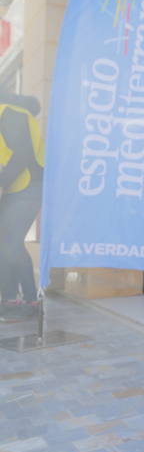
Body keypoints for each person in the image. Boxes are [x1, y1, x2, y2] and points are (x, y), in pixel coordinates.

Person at [0, 92, 43, 321]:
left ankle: (30, 301)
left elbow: (23, 152)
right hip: (18, 186)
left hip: (29, 185)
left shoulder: (10, 113)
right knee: (5, 244)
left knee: (11, 243)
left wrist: (2, 182)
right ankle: (9, 300)